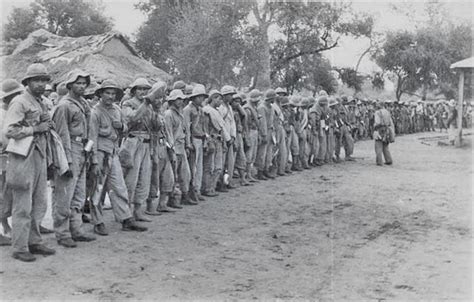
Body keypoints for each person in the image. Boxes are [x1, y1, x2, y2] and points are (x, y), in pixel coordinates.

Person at [3, 63, 56, 262]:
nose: (41, 84)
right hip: (22, 157)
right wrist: (35, 128)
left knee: (39, 202)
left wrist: (44, 125)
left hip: (39, 154)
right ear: (27, 82)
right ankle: (19, 246)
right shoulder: (19, 102)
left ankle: (34, 241)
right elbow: (9, 131)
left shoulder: (39, 101)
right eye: (37, 80)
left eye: (44, 80)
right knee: (23, 204)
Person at [88, 79, 148, 235]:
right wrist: (94, 160)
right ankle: (98, 221)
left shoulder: (116, 109)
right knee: (98, 189)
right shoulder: (95, 112)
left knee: (119, 186)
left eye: (113, 93)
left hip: (113, 152)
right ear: (100, 94)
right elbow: (92, 138)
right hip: (100, 152)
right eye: (107, 93)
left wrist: (121, 126)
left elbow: (126, 128)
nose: (110, 96)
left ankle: (125, 218)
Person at [121, 78, 153, 221]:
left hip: (146, 142)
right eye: (139, 89)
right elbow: (131, 118)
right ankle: (126, 211)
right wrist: (145, 104)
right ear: (134, 90)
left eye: (145, 89)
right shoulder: (128, 103)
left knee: (144, 177)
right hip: (133, 141)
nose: (142, 92)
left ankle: (138, 210)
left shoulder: (150, 106)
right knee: (131, 178)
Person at [0, 79, 25, 246]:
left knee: (9, 195)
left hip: (11, 156)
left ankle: (8, 226)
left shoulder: (13, 112)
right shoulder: (2, 114)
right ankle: (4, 228)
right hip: (3, 157)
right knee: (2, 194)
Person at [146, 81, 176, 214]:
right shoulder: (149, 111)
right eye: (157, 97)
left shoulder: (161, 112)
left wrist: (171, 147)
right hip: (153, 145)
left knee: (167, 176)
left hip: (164, 145)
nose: (159, 100)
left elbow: (166, 131)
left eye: (161, 97)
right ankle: (150, 206)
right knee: (153, 177)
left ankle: (162, 204)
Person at [165, 89, 194, 206]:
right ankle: (172, 198)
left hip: (181, 147)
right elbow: (168, 132)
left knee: (185, 174)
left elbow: (185, 131)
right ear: (172, 100)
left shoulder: (180, 114)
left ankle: (184, 195)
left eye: (181, 99)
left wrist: (187, 145)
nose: (180, 101)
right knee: (173, 175)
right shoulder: (168, 114)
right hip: (174, 147)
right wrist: (171, 148)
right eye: (178, 99)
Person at [202, 90, 230, 196]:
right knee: (209, 166)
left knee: (218, 167)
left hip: (219, 140)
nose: (220, 101)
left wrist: (224, 142)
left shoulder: (217, 112)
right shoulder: (207, 111)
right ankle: (207, 188)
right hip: (211, 140)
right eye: (219, 99)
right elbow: (205, 128)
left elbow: (221, 128)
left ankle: (212, 187)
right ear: (213, 98)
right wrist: (208, 141)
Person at [183, 84, 208, 202]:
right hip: (193, 139)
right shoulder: (188, 110)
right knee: (192, 168)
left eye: (203, 97)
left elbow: (203, 126)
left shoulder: (201, 110)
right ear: (194, 97)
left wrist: (205, 140)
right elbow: (187, 127)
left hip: (200, 138)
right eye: (199, 97)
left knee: (199, 167)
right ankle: (190, 191)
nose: (201, 99)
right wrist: (188, 143)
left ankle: (197, 190)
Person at [218, 85, 237, 190]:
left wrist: (233, 136)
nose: (231, 97)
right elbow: (221, 124)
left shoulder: (229, 107)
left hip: (230, 137)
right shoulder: (221, 108)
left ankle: (228, 181)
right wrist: (227, 138)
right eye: (229, 95)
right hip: (223, 137)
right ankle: (220, 183)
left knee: (230, 161)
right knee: (222, 161)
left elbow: (232, 122)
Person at [256, 89, 276, 180]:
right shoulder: (262, 108)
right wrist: (263, 134)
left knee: (269, 152)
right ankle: (260, 171)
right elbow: (262, 122)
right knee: (262, 153)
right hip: (264, 131)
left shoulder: (271, 107)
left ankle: (266, 169)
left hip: (270, 131)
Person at [231, 93, 251, 186]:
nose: (237, 103)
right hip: (232, 135)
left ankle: (242, 178)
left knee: (241, 156)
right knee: (232, 158)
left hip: (238, 134)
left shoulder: (239, 112)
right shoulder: (230, 111)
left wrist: (239, 107)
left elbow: (245, 116)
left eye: (239, 102)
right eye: (235, 101)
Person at [373, 101, 394, 166]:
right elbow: (391, 122)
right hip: (387, 129)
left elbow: (377, 122)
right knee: (385, 146)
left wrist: (374, 128)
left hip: (380, 129)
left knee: (378, 145)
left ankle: (379, 161)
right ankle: (389, 160)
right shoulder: (387, 112)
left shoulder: (377, 112)